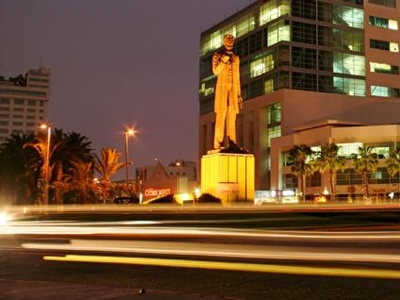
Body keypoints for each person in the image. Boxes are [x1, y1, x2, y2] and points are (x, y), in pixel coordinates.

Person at [212, 34, 242, 150]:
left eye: (231, 41)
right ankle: (218, 143)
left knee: (232, 117)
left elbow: (238, 77)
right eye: (228, 41)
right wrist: (223, 60)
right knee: (221, 115)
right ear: (224, 42)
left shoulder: (236, 58)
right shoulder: (217, 55)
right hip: (222, 89)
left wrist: (239, 95)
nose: (230, 43)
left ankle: (232, 142)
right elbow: (215, 71)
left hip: (233, 90)